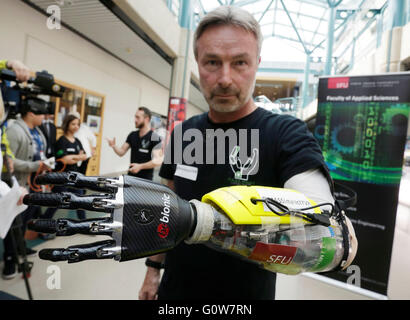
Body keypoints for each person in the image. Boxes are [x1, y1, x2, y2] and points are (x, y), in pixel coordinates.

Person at [138, 6, 335, 300]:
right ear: (197, 63)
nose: (225, 78)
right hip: (175, 291)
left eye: (240, 63)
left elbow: (322, 229)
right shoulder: (184, 134)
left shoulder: (284, 134)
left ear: (257, 63)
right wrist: (152, 271)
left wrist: (208, 224)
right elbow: (167, 212)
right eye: (212, 62)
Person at [3, 93, 50, 279]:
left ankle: (20, 249)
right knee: (13, 223)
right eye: (42, 114)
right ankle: (9, 259)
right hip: (17, 185)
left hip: (33, 185)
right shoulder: (14, 131)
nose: (44, 117)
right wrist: (34, 166)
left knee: (24, 223)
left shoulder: (36, 131)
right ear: (31, 113)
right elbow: (8, 162)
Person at [41, 113, 88, 221]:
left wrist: (74, 157)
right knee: (58, 202)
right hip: (61, 177)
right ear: (67, 125)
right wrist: (78, 157)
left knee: (80, 201)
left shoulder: (77, 142)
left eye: (78, 124)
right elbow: (65, 160)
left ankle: (84, 223)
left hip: (75, 176)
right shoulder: (61, 141)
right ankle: (44, 220)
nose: (76, 126)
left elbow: (84, 156)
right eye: (73, 124)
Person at [106, 106, 163, 181]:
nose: (135, 120)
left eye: (138, 117)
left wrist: (140, 166)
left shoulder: (155, 137)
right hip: (130, 178)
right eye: (135, 117)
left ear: (147, 119)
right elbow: (121, 152)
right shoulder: (132, 135)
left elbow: (158, 161)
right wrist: (113, 146)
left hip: (145, 181)